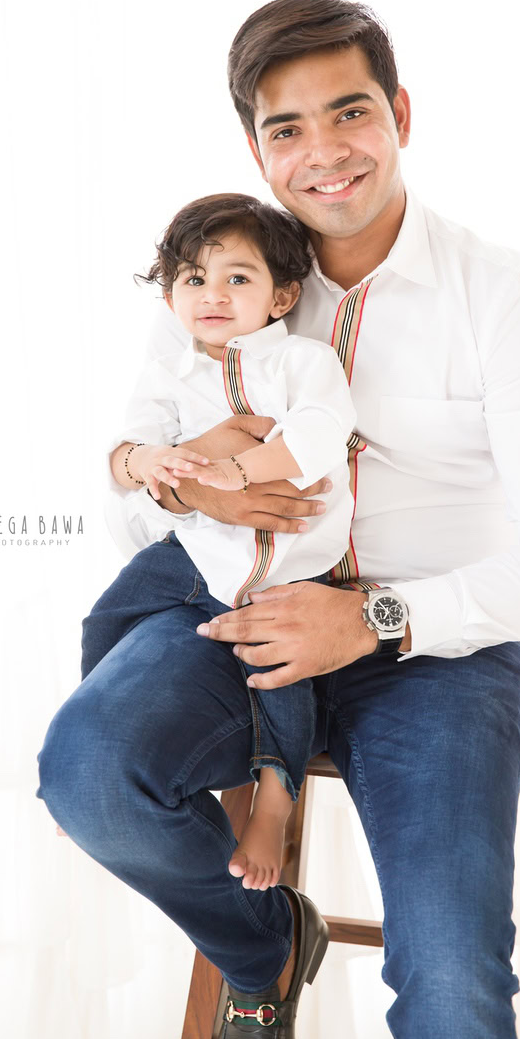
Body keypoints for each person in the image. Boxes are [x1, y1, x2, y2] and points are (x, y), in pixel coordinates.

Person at [37, 0, 520, 1039]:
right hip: (237, 611)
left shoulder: (506, 296)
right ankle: (264, 953)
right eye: (283, 129)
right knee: (87, 774)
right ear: (253, 146)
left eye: (348, 114)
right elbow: (121, 511)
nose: (322, 154)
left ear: (399, 113)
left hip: (438, 648)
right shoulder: (220, 281)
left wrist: (371, 618)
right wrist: (191, 485)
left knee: (449, 969)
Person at [85, 191, 357, 892]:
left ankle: (274, 800)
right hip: (196, 556)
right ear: (170, 294)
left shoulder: (301, 362)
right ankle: (85, 761)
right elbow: (128, 451)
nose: (212, 294)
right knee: (105, 617)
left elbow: (318, 433)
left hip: (288, 566)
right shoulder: (168, 374)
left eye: (237, 278)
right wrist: (150, 463)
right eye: (192, 279)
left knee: (277, 672)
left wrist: (235, 470)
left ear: (281, 294)